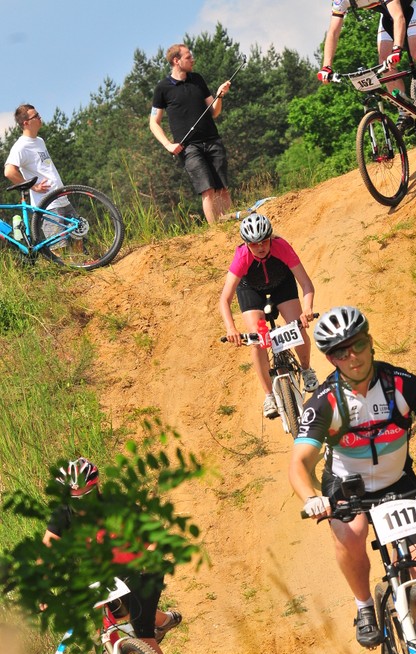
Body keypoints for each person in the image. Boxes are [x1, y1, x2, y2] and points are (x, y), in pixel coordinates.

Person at [288, 306, 416, 654]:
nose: (353, 357)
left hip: (398, 482)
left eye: (358, 345)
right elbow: (300, 463)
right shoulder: (324, 401)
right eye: (341, 352)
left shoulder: (401, 383)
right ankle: (363, 605)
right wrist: (311, 498)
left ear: (370, 342)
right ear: (330, 359)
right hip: (346, 487)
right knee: (352, 533)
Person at [43, 458, 182, 654]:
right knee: (105, 628)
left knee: (142, 632)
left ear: (97, 488)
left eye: (88, 497)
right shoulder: (63, 514)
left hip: (141, 569)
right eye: (76, 500)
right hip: (106, 575)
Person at [219, 213, 319, 419]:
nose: (260, 247)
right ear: (246, 244)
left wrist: (307, 309)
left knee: (297, 326)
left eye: (264, 241)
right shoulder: (242, 257)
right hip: (251, 289)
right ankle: (269, 396)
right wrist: (231, 328)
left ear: (271, 238)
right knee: (257, 340)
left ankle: (307, 369)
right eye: (253, 244)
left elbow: (306, 284)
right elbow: (224, 299)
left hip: (282, 284)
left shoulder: (282, 247)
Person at [318, 0, 416, 133]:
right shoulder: (340, 1)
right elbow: (333, 32)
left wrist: (397, 48)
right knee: (384, 63)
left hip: (413, 6)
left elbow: (399, 17)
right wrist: (326, 66)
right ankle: (405, 111)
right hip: (388, 15)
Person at [150, 44, 232, 224]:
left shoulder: (197, 79)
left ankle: (231, 227)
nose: (192, 60)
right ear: (176, 60)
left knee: (222, 189)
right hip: (189, 148)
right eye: (188, 57)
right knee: (207, 190)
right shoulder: (162, 88)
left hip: (213, 140)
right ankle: (216, 232)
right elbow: (153, 123)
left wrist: (219, 96)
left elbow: (214, 112)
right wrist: (168, 145)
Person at [4, 104, 63, 206]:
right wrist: (33, 187)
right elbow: (9, 172)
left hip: (61, 197)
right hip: (48, 204)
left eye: (38, 114)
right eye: (35, 116)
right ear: (26, 123)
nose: (40, 117)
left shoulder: (40, 141)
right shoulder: (21, 146)